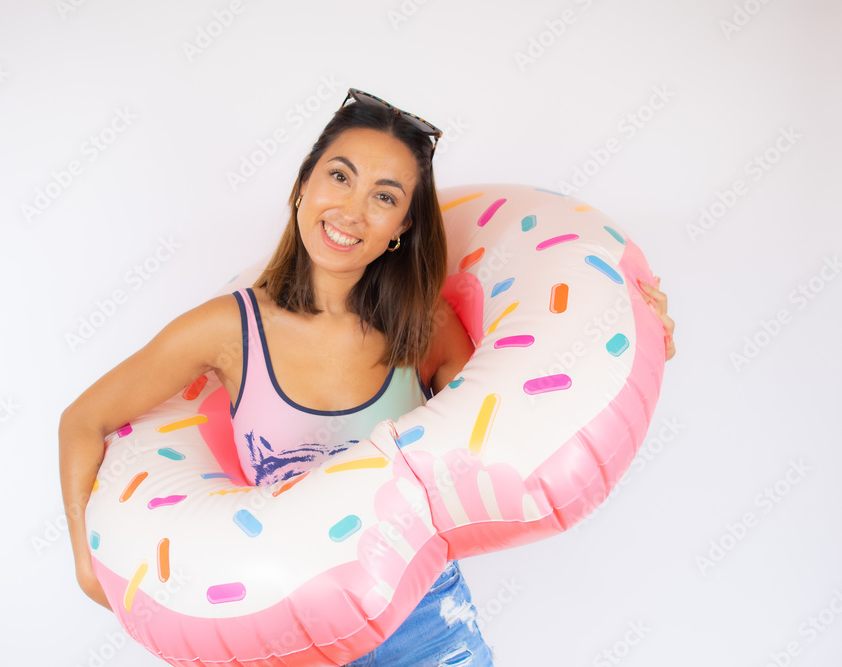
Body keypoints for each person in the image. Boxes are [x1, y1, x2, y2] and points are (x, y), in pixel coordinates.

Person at [59, 88, 677, 666]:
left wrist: (627, 334)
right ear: (304, 183)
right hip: (287, 639)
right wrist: (89, 566)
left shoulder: (422, 323)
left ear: (400, 228)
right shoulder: (226, 329)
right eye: (339, 176)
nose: (351, 210)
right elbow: (83, 421)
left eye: (384, 196)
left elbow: (510, 427)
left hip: (430, 630)